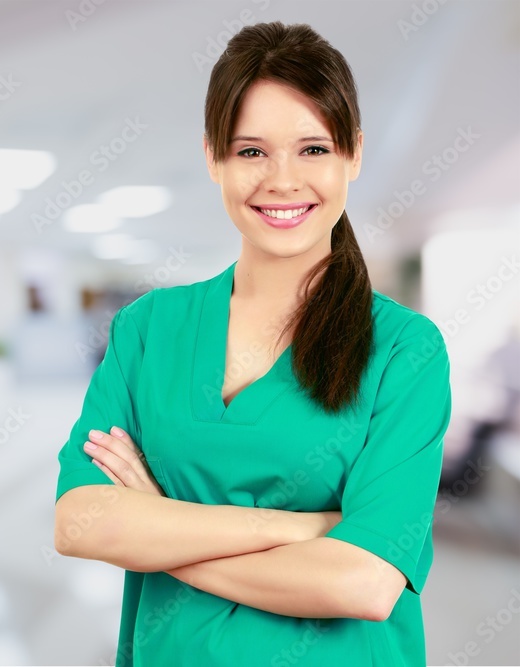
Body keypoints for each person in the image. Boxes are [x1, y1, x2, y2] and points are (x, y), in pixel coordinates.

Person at [53, 21, 452, 667]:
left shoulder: (406, 351)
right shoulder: (149, 328)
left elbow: (363, 581)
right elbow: (79, 522)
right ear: (213, 157)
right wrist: (304, 530)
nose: (283, 180)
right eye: (252, 151)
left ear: (353, 153)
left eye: (314, 149)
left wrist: (158, 525)